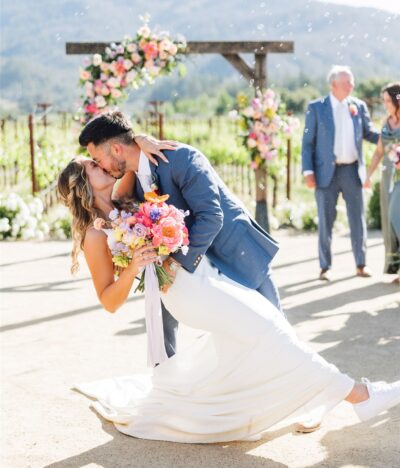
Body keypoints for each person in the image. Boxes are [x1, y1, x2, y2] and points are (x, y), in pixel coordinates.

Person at [57, 155, 400, 443]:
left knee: (266, 327)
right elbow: (109, 300)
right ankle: (361, 395)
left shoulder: (123, 194)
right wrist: (134, 265)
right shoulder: (94, 235)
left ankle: (309, 396)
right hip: (184, 293)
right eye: (91, 164)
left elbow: (133, 151)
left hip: (204, 275)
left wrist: (144, 145)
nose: (100, 161)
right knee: (268, 329)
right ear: (83, 183)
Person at [77, 111, 282, 360]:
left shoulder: (181, 158)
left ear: (117, 150)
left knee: (278, 334)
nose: (99, 166)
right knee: (219, 334)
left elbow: (212, 217)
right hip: (195, 266)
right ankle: (165, 372)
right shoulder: (134, 177)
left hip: (234, 253)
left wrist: (174, 264)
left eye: (97, 159)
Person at [302, 65, 380, 281]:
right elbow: (307, 142)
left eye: (352, 81)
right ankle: (325, 267)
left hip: (352, 171)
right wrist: (308, 171)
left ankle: (361, 264)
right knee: (326, 221)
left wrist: (391, 134)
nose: (352, 85)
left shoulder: (358, 106)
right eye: (347, 82)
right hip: (325, 173)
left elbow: (369, 133)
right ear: (334, 84)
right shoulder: (316, 108)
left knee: (358, 219)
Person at [364, 82, 400, 284]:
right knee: (389, 221)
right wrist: (368, 175)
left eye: (388, 101)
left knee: (397, 218)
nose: (385, 104)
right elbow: (379, 152)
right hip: (387, 177)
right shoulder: (386, 122)